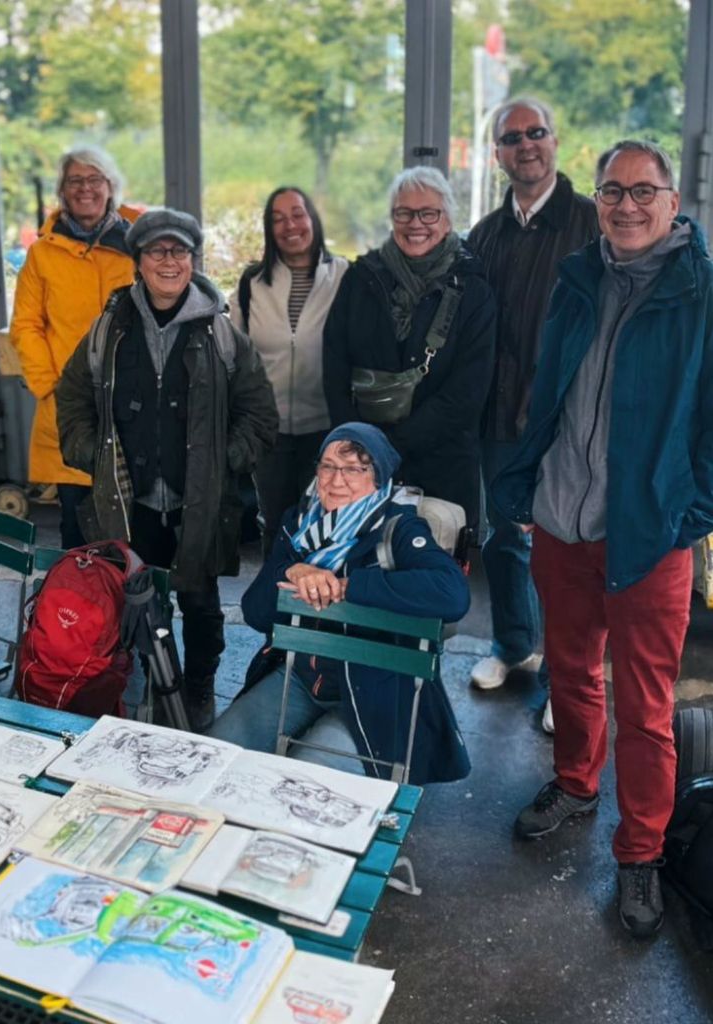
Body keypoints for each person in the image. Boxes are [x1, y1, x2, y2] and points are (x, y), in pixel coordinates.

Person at [492, 140, 713, 939]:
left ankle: (639, 851)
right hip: (562, 519)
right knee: (570, 672)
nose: (626, 206)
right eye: (612, 191)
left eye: (643, 191)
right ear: (596, 200)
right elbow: (548, 390)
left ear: (673, 203)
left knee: (645, 704)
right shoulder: (580, 277)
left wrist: (691, 517)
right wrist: (525, 481)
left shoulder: (710, 295)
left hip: (649, 534)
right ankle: (576, 783)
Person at [56, 208, 278, 733]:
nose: (169, 261)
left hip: (196, 502)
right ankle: (154, 684)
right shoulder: (110, 329)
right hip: (129, 502)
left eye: (179, 251)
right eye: (157, 251)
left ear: (193, 260)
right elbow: (72, 398)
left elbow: (260, 412)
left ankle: (197, 687)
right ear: (138, 261)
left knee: (200, 605)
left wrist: (224, 462)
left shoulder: (220, 332)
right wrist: (94, 456)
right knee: (136, 601)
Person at [209, 423, 471, 783]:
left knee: (304, 780)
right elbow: (256, 613)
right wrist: (292, 570)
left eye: (353, 469)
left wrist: (348, 587)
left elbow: (452, 594)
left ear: (378, 477)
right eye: (328, 466)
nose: (336, 480)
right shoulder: (299, 523)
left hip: (373, 688)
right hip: (302, 676)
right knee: (215, 753)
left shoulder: (398, 528)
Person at [466, 98, 600, 718]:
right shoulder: (485, 235)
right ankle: (514, 644)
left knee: (564, 552)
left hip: (569, 421)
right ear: (497, 153)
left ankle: (562, 682)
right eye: (511, 137)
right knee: (503, 540)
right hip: (498, 420)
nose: (525, 145)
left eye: (535, 132)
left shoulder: (592, 224)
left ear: (554, 140)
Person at [324, 167, 495, 531]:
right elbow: (334, 364)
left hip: (444, 468)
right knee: (365, 562)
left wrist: (389, 446)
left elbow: (468, 392)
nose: (415, 223)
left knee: (434, 562)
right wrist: (357, 443)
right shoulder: (361, 278)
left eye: (428, 213)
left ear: (447, 219)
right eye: (404, 212)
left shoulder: (474, 290)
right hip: (362, 464)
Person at [10, 145, 139, 548]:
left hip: (135, 402)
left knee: (140, 530)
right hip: (72, 408)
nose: (85, 188)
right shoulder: (42, 254)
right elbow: (26, 324)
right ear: (62, 191)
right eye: (75, 180)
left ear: (110, 186)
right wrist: (51, 386)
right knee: (78, 527)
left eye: (94, 179)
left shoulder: (139, 245)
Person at [230, 187, 348, 556]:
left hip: (329, 429)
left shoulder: (346, 276)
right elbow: (233, 356)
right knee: (277, 526)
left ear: (313, 218)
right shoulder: (251, 284)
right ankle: (274, 591)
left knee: (326, 528)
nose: (290, 225)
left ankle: (321, 595)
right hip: (270, 433)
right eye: (277, 219)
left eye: (297, 214)